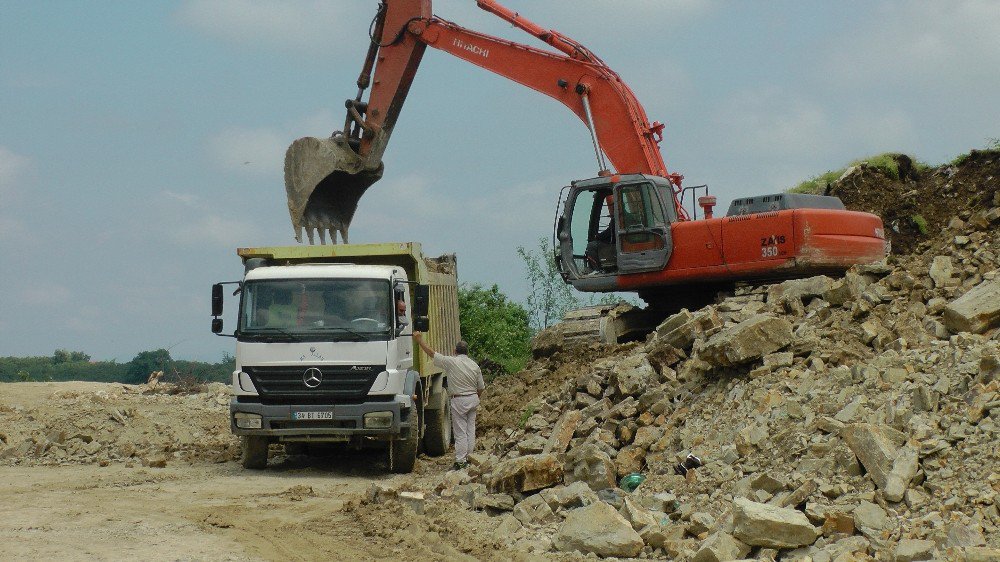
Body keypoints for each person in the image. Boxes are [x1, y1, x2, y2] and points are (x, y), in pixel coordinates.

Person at [412, 332, 484, 470]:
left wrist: (420, 341)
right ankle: (470, 458)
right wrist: (475, 397)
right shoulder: (475, 365)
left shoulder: (452, 362)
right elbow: (481, 387)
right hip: (473, 398)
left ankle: (461, 461)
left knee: (460, 431)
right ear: (467, 352)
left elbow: (432, 354)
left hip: (459, 400)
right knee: (470, 429)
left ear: (454, 351)